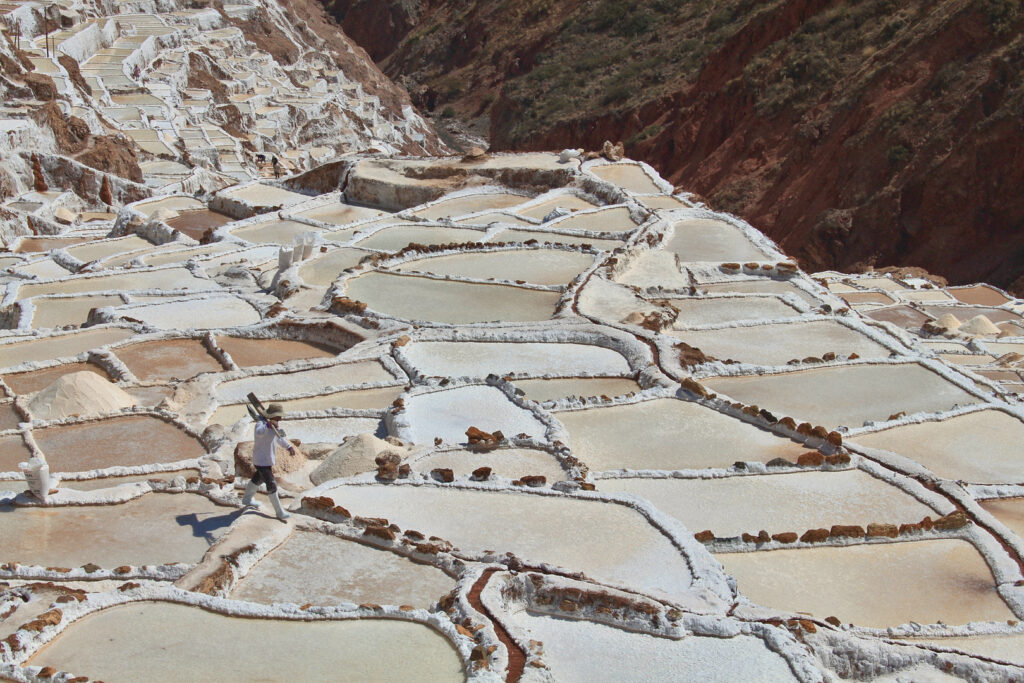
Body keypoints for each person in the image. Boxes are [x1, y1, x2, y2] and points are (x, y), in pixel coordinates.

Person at [241, 403, 295, 520]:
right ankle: (279, 512)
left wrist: (289, 447)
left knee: (257, 479)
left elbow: (281, 438)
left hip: (267, 459)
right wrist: (268, 426)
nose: (281, 418)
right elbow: (259, 433)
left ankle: (247, 499)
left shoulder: (276, 426)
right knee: (271, 484)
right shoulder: (261, 423)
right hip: (261, 460)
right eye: (279, 416)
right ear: (273, 416)